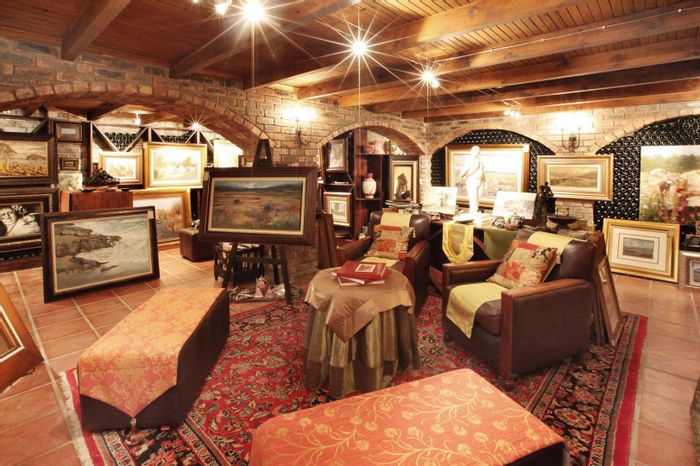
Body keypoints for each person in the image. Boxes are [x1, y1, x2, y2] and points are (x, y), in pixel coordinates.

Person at [458, 145, 485, 215]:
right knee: (473, 197)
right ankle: (473, 212)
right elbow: (465, 168)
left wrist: (485, 181)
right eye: (476, 151)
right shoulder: (469, 159)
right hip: (472, 180)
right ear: (472, 151)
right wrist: (461, 174)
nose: (477, 152)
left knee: (478, 197)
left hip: (480, 180)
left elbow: (483, 171)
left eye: (478, 151)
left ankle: (475, 211)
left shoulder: (480, 159)